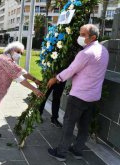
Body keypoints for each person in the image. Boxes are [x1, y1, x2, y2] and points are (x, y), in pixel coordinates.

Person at [47, 24, 109, 162]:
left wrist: (56, 79)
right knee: (84, 126)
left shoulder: (85, 53)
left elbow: (71, 70)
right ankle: (77, 150)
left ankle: (61, 153)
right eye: (80, 33)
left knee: (68, 124)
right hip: (93, 97)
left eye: (83, 35)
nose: (79, 37)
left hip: (79, 96)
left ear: (93, 37)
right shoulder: (104, 50)